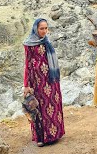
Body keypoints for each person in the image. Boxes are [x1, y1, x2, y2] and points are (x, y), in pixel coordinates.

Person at [23, 18, 65, 146]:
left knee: (53, 105)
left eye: (46, 28)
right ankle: (41, 137)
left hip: (51, 81)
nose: (44, 31)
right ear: (36, 29)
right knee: (39, 108)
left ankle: (54, 135)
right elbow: (27, 65)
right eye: (42, 28)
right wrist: (27, 84)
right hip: (37, 82)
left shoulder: (47, 42)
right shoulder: (29, 44)